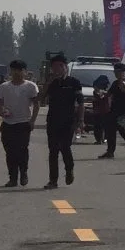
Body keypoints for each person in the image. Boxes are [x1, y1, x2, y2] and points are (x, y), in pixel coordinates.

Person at [0, 60, 39, 187]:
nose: (16, 72)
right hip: (8, 124)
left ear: (25, 72)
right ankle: (13, 177)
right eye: (14, 70)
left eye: (19, 70)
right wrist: (1, 112)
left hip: (23, 123)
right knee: (10, 151)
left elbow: (36, 104)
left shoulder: (31, 86)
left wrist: (32, 121)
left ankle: (23, 173)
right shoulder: (4, 87)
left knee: (22, 150)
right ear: (10, 71)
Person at [41, 53, 84, 189]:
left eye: (59, 66)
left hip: (68, 121)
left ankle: (69, 169)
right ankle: (53, 180)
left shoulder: (74, 83)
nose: (57, 69)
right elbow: (41, 98)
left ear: (65, 67)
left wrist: (81, 121)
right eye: (54, 67)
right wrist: (48, 82)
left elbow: (81, 103)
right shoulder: (52, 82)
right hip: (53, 120)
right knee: (53, 150)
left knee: (65, 147)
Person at [99, 64, 125, 159]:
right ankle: (110, 151)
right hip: (113, 110)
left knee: (123, 131)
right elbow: (109, 94)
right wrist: (102, 94)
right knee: (110, 132)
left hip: (124, 111)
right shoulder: (115, 83)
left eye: (118, 72)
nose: (116, 74)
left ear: (123, 72)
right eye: (115, 72)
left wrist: (122, 81)